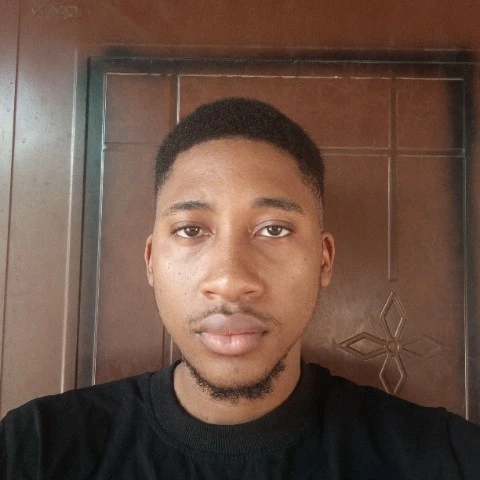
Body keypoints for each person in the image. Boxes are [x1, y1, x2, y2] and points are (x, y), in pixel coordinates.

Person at [1, 97, 479, 479]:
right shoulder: (37, 447)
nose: (230, 281)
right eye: (191, 230)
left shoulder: (445, 458)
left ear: (323, 260)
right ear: (151, 262)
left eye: (274, 229)